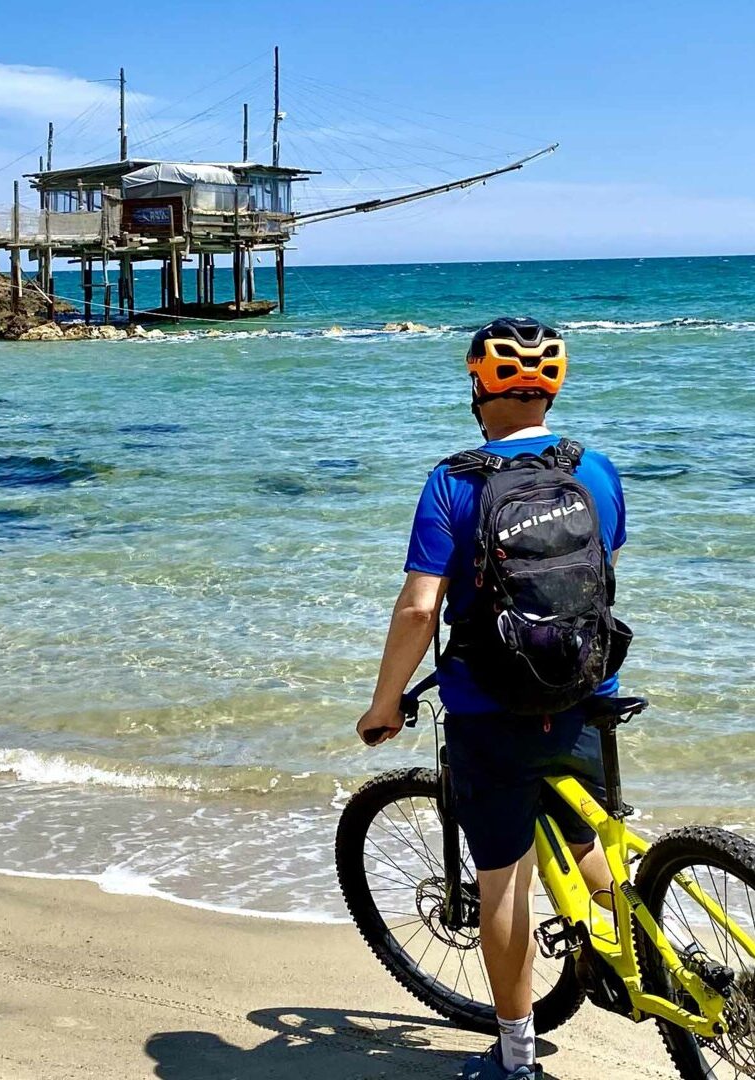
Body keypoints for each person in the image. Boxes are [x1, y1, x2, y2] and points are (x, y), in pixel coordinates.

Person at [356, 317, 628, 1080]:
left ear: (479, 385)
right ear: (555, 385)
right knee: (587, 845)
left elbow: (419, 609)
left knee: (502, 880)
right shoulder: (593, 469)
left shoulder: (455, 480)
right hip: (583, 693)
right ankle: (652, 961)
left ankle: (514, 1061)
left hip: (488, 706)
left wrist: (384, 704)